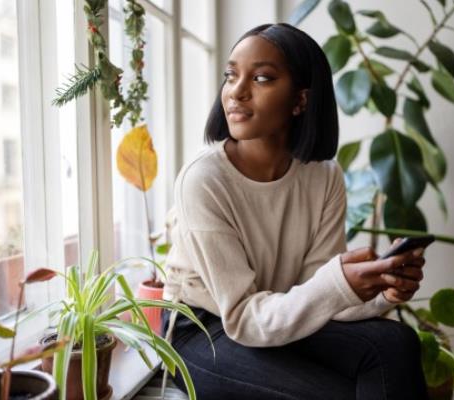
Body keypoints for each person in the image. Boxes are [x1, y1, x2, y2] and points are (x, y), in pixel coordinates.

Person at [161, 22, 429, 400]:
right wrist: (336, 283)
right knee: (335, 393)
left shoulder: (324, 176)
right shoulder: (203, 179)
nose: (236, 91)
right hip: (203, 330)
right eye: (231, 75)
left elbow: (314, 292)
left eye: (262, 78)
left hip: (275, 314)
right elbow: (242, 317)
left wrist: (381, 289)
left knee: (396, 342)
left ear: (301, 100)